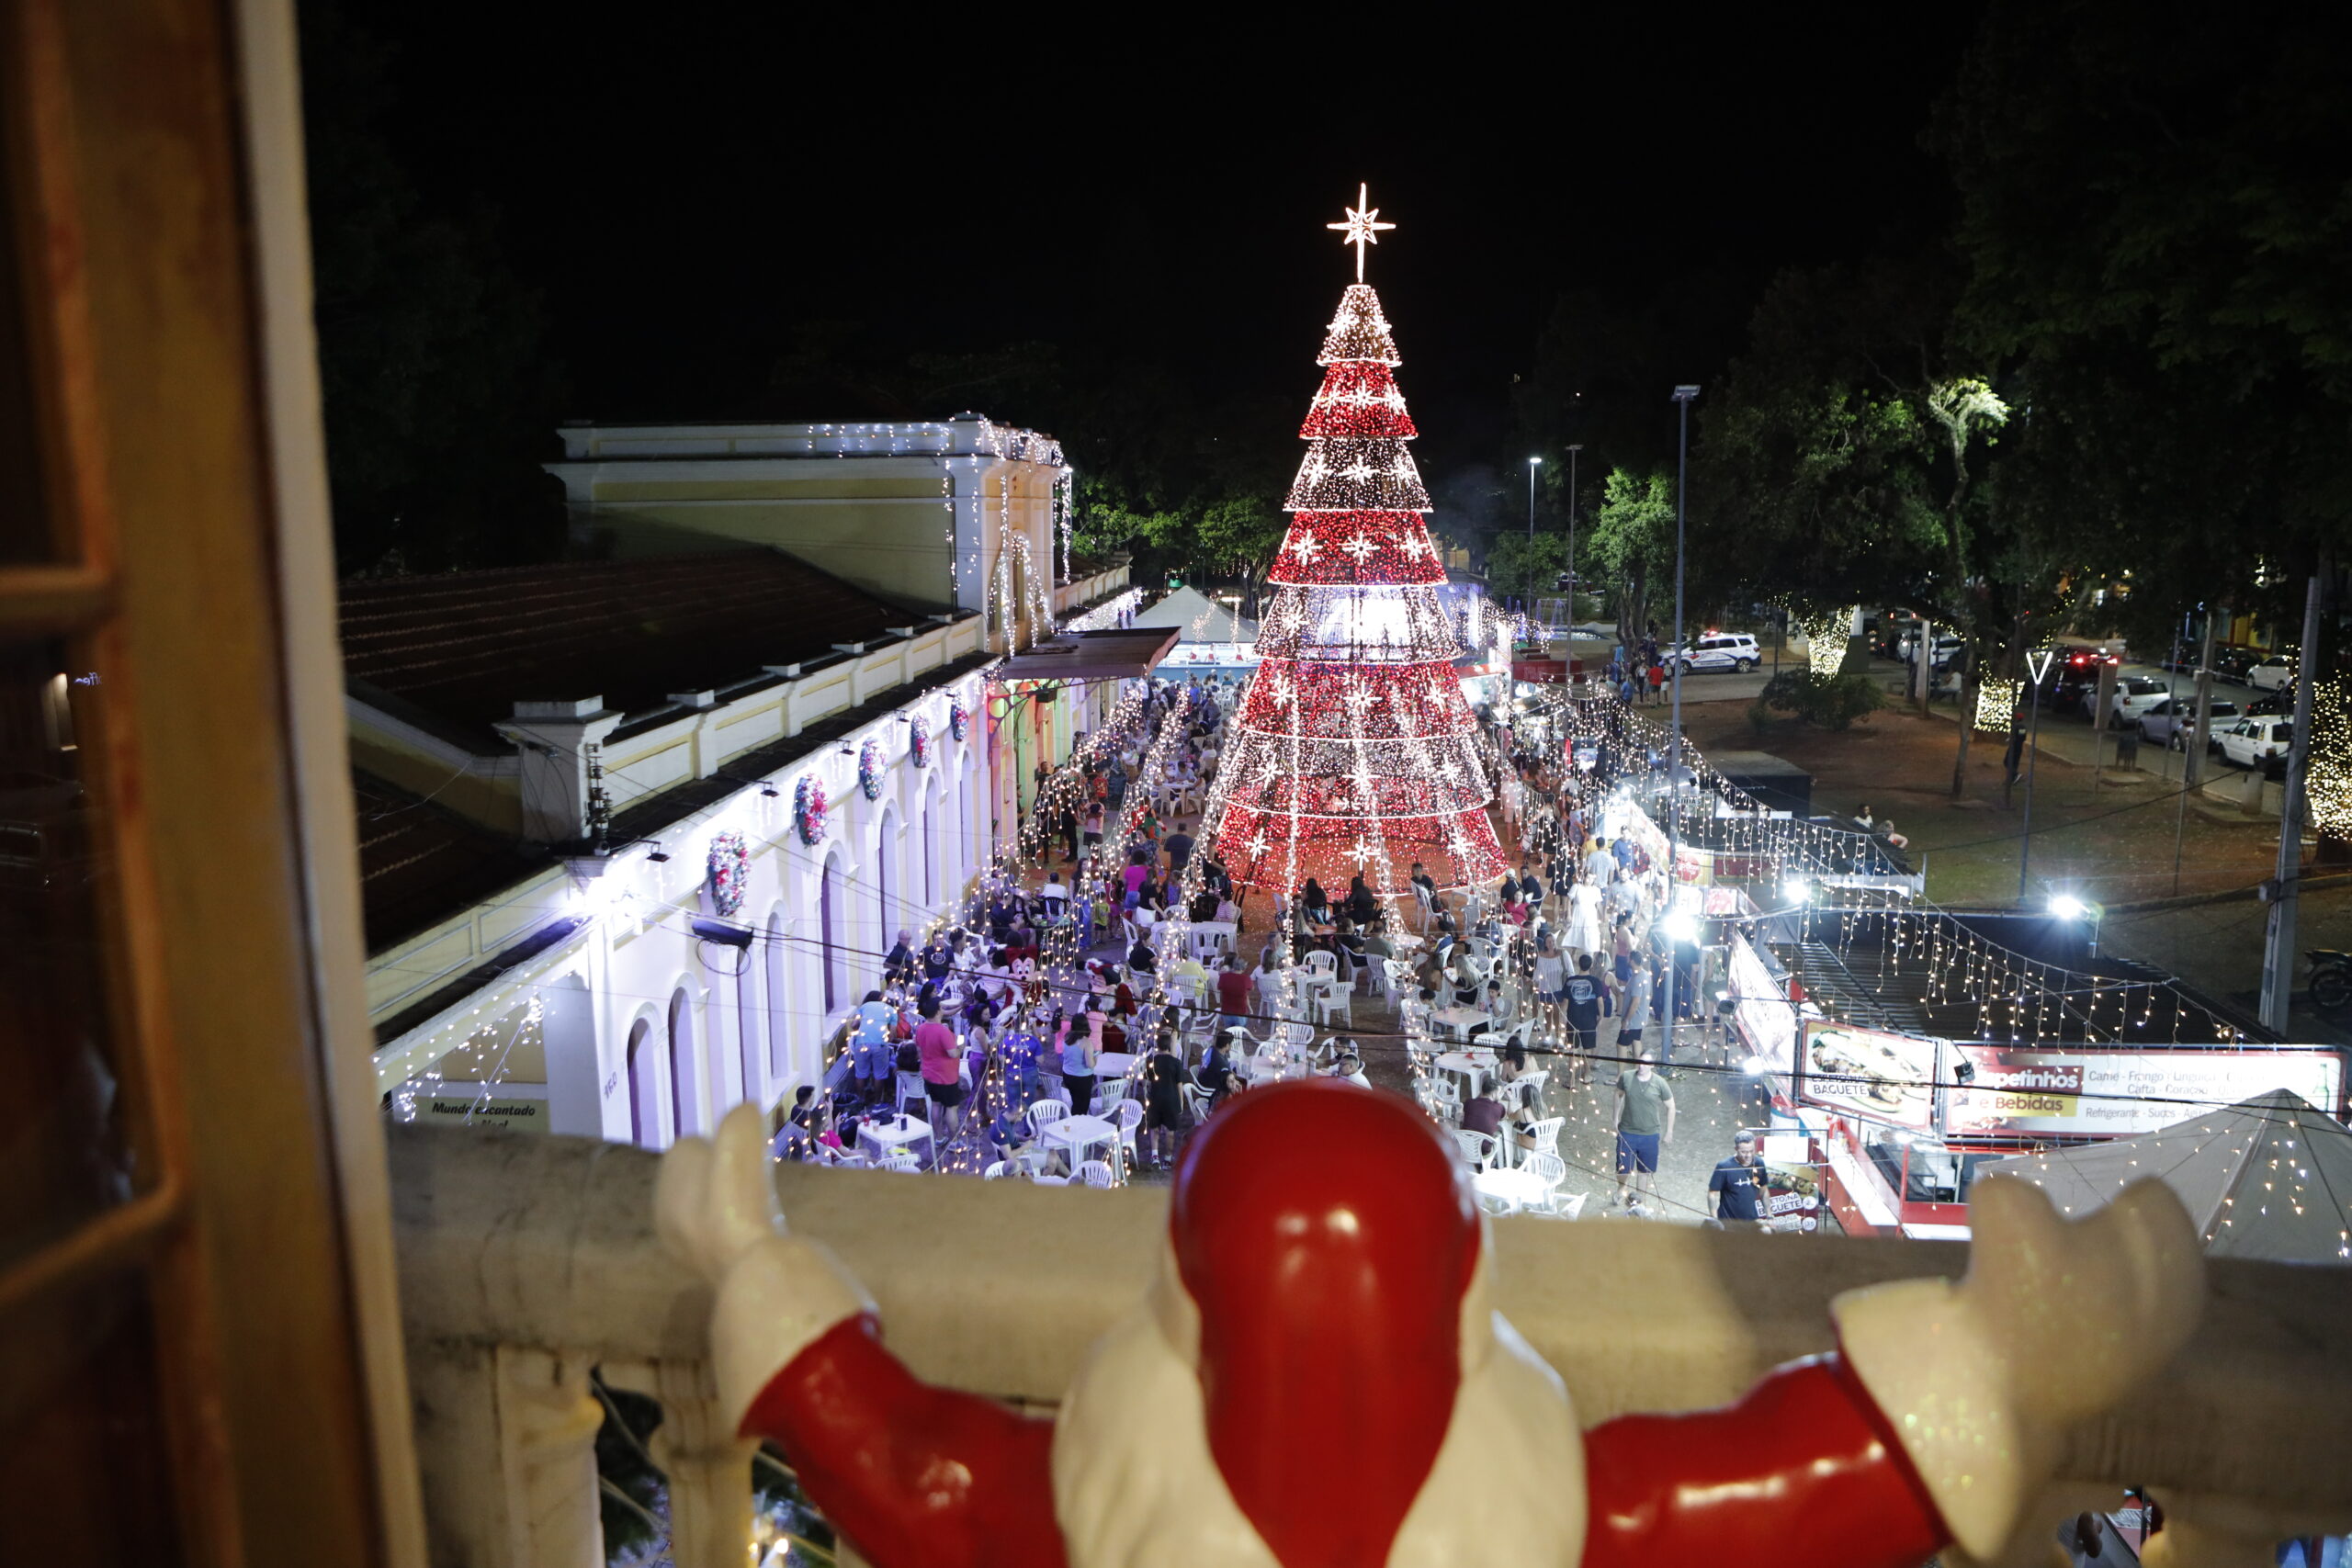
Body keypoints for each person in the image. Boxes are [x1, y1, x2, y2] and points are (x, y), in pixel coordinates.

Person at [1614, 1048, 1676, 1213]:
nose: (1642, 1066)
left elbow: (1671, 1106)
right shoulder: (1627, 1077)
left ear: (1652, 1065)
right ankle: (1622, 1187)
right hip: (1627, 1131)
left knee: (1644, 1171)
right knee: (1623, 1168)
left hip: (1649, 1134)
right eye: (1640, 1062)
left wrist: (1669, 1131)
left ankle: (1640, 1201)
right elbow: (1618, 1095)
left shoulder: (1660, 1083)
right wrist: (1615, 1118)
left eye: (1646, 1063)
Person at [914, 998, 965, 1140]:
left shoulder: (921, 1029)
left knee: (936, 1105)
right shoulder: (943, 1031)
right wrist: (961, 1046)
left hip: (929, 1074)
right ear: (937, 1012)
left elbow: (919, 1051)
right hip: (946, 1076)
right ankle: (954, 1141)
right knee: (951, 1107)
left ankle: (938, 1137)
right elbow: (953, 1053)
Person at [1141, 1031, 1188, 1168]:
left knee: (1154, 1128)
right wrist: (1181, 1102)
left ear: (1157, 1045)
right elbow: (1179, 1085)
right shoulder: (1176, 1063)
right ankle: (1167, 1159)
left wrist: (1146, 1098)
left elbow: (1146, 1082)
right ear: (1169, 1046)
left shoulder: (1151, 1062)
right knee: (1170, 1131)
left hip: (1155, 1099)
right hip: (1171, 1100)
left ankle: (1154, 1156)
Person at [1711, 1130, 1770, 1226]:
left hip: (1751, 1222)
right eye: (1744, 1152)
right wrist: (1714, 1219)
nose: (1748, 1155)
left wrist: (1769, 1216)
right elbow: (1712, 1193)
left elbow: (1764, 1190)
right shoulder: (1724, 1166)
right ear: (1736, 1149)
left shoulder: (1759, 1163)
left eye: (1751, 1151)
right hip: (1727, 1223)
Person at [850, 990, 895, 1106]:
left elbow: (854, 1025)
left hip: (862, 1043)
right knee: (879, 1074)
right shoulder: (891, 1010)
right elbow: (892, 1034)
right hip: (880, 1044)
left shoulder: (864, 1007)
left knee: (860, 1074)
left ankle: (859, 1101)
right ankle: (877, 1102)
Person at [1063, 1002, 1101, 1115]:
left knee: (1076, 1102)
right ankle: (1076, 1127)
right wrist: (1096, 1055)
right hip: (1082, 1078)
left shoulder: (1067, 1037)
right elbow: (1090, 1064)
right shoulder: (1086, 1042)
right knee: (1082, 1107)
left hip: (1068, 1075)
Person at [1563, 954, 1603, 1058]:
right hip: (1589, 1020)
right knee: (1587, 1050)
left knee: (1573, 1050)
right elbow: (1600, 1002)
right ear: (1591, 966)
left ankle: (1571, 1074)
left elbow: (1565, 1003)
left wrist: (1562, 1018)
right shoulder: (1595, 982)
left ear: (1579, 964)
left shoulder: (1570, 981)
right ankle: (1587, 1074)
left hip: (1573, 1020)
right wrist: (1601, 1016)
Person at [1214, 953, 1254, 1038]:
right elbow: (1248, 993)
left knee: (1228, 1033)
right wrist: (1250, 1008)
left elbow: (1219, 988)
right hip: (1240, 1013)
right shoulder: (1246, 979)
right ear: (1243, 968)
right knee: (1239, 1035)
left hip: (1226, 1011)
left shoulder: (1224, 977)